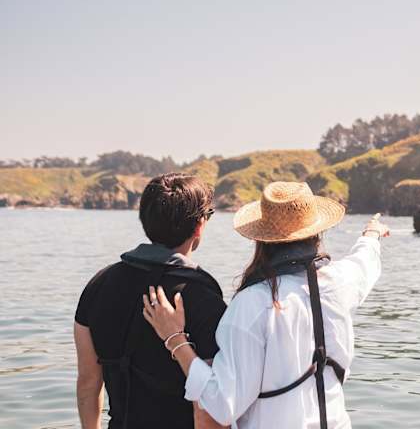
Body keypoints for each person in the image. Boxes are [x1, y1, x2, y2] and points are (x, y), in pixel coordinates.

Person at [142, 181, 389, 428]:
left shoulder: (252, 304)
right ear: (316, 232)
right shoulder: (340, 282)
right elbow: (364, 260)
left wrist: (176, 340)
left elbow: (223, 406)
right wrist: (372, 234)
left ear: (261, 239)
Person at [74, 173, 227, 429]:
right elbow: (207, 406)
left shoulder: (97, 285)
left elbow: (88, 383)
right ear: (199, 225)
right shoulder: (204, 297)